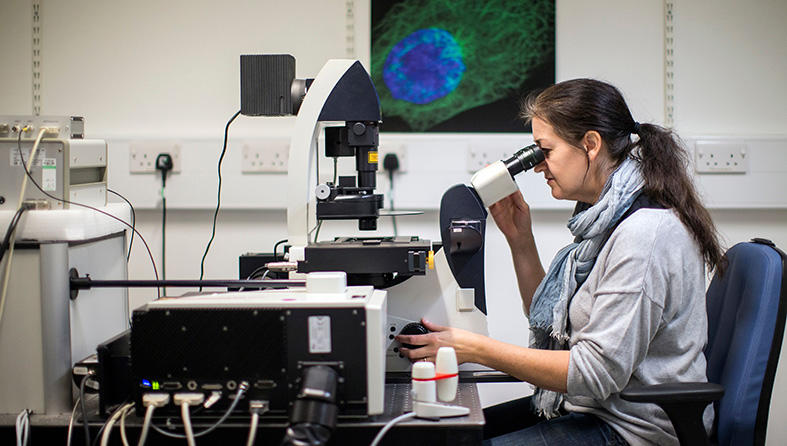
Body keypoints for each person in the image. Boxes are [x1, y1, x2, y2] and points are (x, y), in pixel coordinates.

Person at [395, 78, 725, 446]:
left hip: (633, 430)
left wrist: (474, 348)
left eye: (544, 151)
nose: (538, 167)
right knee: (448, 438)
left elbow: (594, 372)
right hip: (591, 409)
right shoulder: (603, 219)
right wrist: (520, 240)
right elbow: (552, 317)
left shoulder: (643, 235)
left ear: (590, 144)